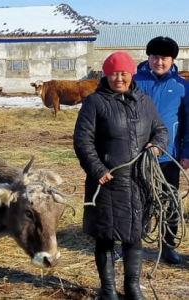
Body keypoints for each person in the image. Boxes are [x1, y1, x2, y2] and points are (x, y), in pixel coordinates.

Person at [74, 52, 168, 300]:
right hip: (107, 182)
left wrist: (157, 145)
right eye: (114, 73)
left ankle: (132, 286)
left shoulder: (144, 101)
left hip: (139, 181)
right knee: (105, 236)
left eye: (124, 73)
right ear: (106, 74)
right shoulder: (94, 102)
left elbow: (160, 129)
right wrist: (97, 169)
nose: (119, 78)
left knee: (134, 234)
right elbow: (83, 141)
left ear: (131, 74)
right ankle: (107, 290)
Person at [133, 36, 189, 265]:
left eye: (164, 58)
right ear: (149, 57)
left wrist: (187, 152)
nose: (159, 62)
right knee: (136, 201)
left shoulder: (181, 86)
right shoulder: (134, 81)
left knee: (170, 201)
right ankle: (132, 245)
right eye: (155, 57)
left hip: (169, 155)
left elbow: (188, 120)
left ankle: (167, 246)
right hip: (136, 155)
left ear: (172, 59)